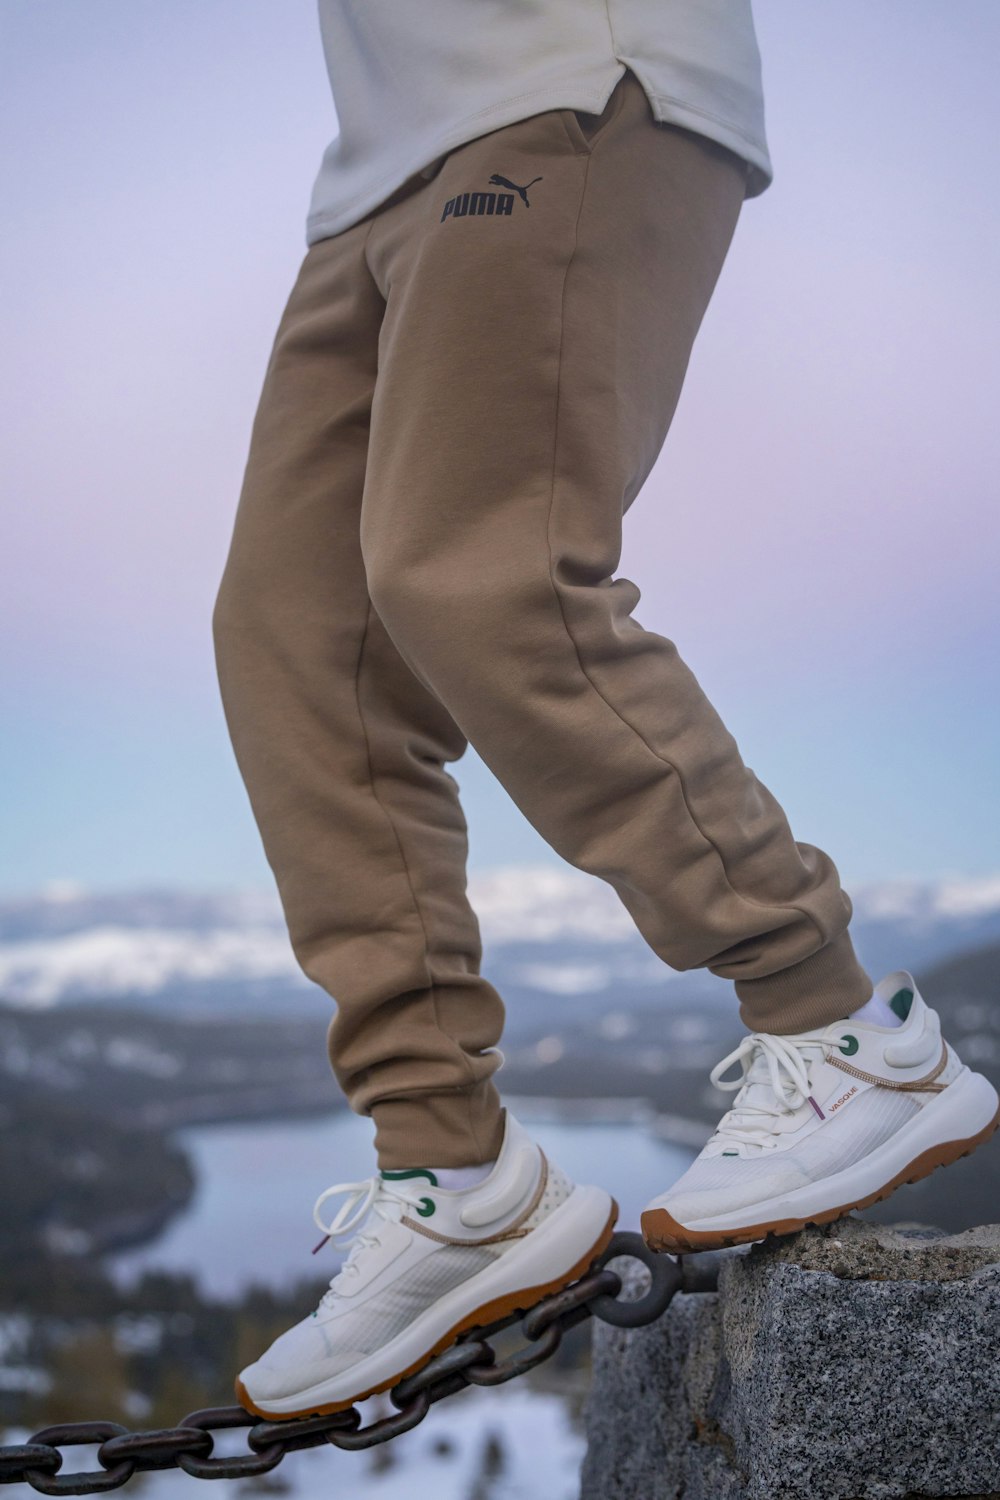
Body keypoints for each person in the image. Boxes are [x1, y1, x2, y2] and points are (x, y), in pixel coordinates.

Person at [212, 1, 1000, 1421]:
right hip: (371, 170)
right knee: (295, 643)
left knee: (481, 571)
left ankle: (843, 1031)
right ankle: (455, 1175)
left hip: (567, 77)